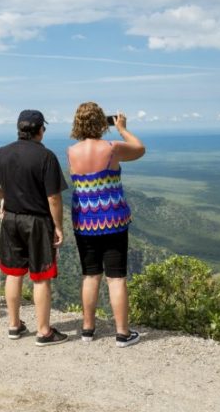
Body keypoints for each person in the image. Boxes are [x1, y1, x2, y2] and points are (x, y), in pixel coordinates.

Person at [0, 109, 69, 346]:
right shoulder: (46, 156)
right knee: (40, 277)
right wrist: (58, 226)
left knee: (13, 274)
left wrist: (2, 195)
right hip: (37, 222)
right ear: (40, 130)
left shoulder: (4, 152)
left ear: (19, 129)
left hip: (11, 220)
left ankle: (14, 325)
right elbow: (54, 198)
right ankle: (44, 331)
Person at [67, 102, 145, 347]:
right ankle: (122, 333)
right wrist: (122, 128)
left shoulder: (72, 151)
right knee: (116, 278)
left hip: (84, 221)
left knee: (90, 275)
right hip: (113, 221)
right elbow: (140, 149)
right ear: (102, 122)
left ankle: (88, 329)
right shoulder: (112, 148)